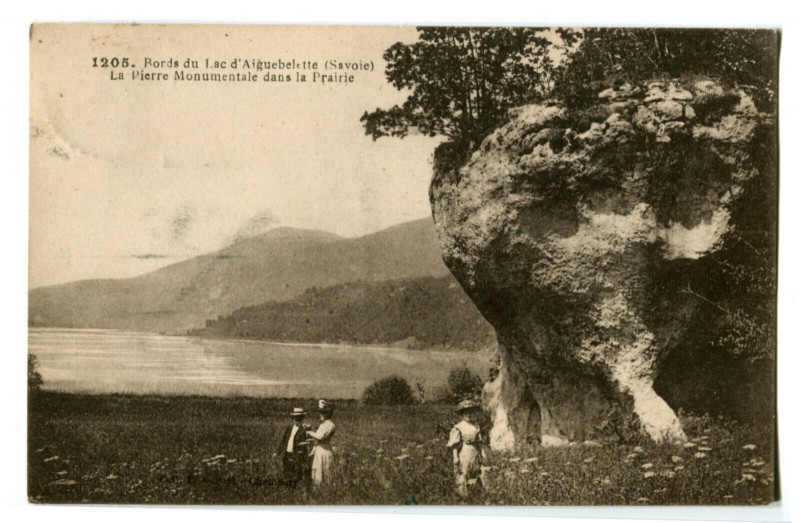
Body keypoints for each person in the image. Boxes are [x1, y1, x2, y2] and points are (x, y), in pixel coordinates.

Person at [446, 399, 487, 498]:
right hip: (464, 451)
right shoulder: (458, 427)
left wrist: (483, 452)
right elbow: (454, 445)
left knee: (476, 470)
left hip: (474, 451)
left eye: (470, 412)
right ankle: (463, 495)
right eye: (465, 412)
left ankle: (477, 492)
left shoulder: (476, 426)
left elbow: (479, 442)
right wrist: (455, 457)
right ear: (462, 414)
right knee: (463, 471)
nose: (468, 414)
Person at [275, 407, 311, 487]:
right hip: (287, 453)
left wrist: (308, 429)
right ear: (293, 418)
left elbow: (309, 442)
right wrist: (277, 452)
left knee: (297, 474)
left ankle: (296, 490)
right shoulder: (289, 428)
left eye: (299, 418)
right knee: (287, 472)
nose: (297, 420)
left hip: (297, 454)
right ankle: (288, 489)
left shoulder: (304, 429)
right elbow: (283, 440)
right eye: (295, 417)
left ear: (302, 418)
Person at [305, 399, 336, 487]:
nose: (320, 415)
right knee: (318, 472)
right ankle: (319, 491)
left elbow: (320, 437)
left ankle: (325, 491)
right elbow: (318, 439)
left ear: (327, 414)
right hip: (319, 450)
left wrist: (309, 432)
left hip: (324, 451)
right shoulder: (323, 425)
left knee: (324, 471)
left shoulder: (330, 425)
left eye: (322, 413)